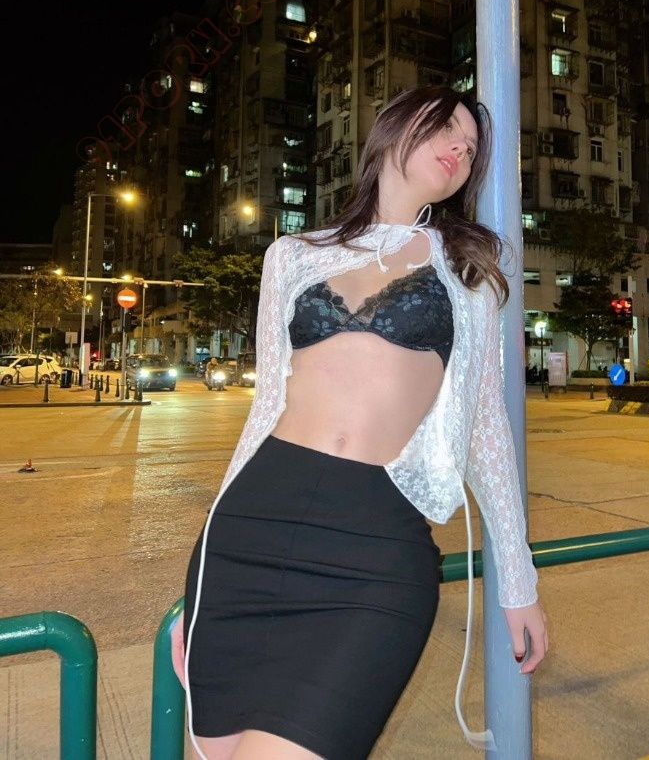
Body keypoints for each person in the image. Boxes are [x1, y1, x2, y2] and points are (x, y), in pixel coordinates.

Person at [171, 86, 548, 760]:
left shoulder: (468, 270)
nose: (460, 148)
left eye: (470, 148)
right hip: (249, 531)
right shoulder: (293, 254)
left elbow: (486, 427)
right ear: (394, 128)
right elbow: (265, 407)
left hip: (376, 545)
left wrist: (518, 584)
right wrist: (196, 593)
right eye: (446, 127)